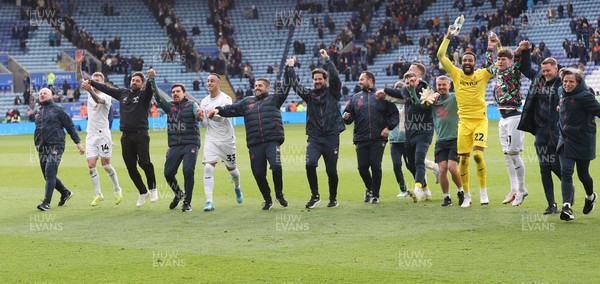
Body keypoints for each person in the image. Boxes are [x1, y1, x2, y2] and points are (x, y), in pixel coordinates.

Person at [208, 78, 291, 210]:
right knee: (258, 173)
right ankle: (267, 199)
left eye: (260, 86)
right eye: (256, 85)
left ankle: (279, 195)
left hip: (271, 141)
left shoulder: (274, 99)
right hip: (255, 144)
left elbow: (287, 86)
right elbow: (231, 109)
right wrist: (218, 110)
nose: (257, 88)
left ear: (267, 88)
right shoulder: (247, 102)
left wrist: (289, 67)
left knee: (276, 166)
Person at [437, 25, 494, 208]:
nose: (467, 62)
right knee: (463, 160)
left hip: (480, 121)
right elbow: (440, 56)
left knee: (478, 155)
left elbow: (497, 63)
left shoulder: (482, 74)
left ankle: (483, 192)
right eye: (465, 60)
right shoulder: (455, 74)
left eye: (470, 60)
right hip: (464, 124)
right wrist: (447, 37)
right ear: (461, 62)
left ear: (475, 63)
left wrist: (493, 46)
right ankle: (467, 195)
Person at [283, 49, 345, 209]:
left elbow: (336, 78)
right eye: (315, 79)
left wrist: (327, 60)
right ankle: (315, 195)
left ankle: (333, 198)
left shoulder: (333, 93)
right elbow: (295, 85)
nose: (317, 81)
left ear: (325, 80)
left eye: (320, 79)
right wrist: (290, 67)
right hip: (315, 137)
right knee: (310, 164)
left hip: (331, 137)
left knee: (331, 171)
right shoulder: (309, 95)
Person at [86, 69, 157, 207]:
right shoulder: (123, 93)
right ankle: (143, 192)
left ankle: (153, 188)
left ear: (142, 84)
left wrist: (151, 78)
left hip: (141, 134)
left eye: (137, 81)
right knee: (130, 166)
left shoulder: (144, 94)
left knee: (145, 162)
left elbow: (151, 88)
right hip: (125, 136)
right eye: (133, 80)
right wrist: (91, 82)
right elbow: (106, 88)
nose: (134, 82)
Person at [377, 64, 439, 203]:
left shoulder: (427, 90)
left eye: (412, 71)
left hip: (424, 130)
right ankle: (425, 189)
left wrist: (408, 90)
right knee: (411, 164)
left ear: (418, 76)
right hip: (410, 132)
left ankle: (417, 189)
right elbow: (399, 94)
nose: (409, 72)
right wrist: (385, 92)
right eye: (407, 79)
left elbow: (418, 104)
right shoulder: (406, 89)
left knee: (418, 160)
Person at [518, 46, 563, 215]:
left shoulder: (563, 81)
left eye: (548, 70)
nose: (545, 73)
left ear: (556, 69)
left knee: (556, 165)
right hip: (541, 131)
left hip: (556, 131)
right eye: (543, 70)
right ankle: (551, 204)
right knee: (544, 167)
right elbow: (525, 68)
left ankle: (567, 188)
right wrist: (525, 51)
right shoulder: (539, 77)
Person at [484, 36, 529, 207]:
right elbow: (489, 62)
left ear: (510, 62)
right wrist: (491, 46)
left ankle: (522, 189)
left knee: (514, 153)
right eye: (499, 58)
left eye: (504, 59)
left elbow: (518, 60)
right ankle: (513, 189)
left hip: (514, 117)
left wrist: (518, 50)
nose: (500, 61)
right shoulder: (496, 72)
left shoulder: (514, 72)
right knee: (507, 156)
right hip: (502, 119)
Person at [343, 71, 399, 204]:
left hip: (378, 138)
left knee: (375, 165)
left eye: (362, 79)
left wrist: (388, 128)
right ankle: (370, 188)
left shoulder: (382, 96)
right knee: (362, 167)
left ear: (370, 80)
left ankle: (375, 195)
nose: (359, 82)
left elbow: (394, 115)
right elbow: (348, 117)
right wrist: (346, 117)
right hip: (360, 138)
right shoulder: (356, 98)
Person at [76, 50, 122, 207]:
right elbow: (78, 78)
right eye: (92, 79)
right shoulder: (89, 93)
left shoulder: (107, 96)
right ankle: (98, 194)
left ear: (102, 82)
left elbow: (99, 100)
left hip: (103, 135)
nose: (93, 82)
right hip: (91, 135)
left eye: (97, 80)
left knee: (106, 165)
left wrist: (90, 90)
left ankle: (117, 189)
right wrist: (78, 64)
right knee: (90, 165)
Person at [554, 68, 599, 221]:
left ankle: (590, 196)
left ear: (578, 82)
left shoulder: (586, 96)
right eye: (565, 81)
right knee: (566, 172)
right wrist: (560, 108)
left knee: (583, 175)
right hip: (565, 139)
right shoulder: (560, 90)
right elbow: (560, 104)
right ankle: (567, 207)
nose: (567, 84)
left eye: (571, 81)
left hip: (583, 140)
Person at [151, 83, 201, 212]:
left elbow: (198, 116)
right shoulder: (169, 106)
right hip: (174, 145)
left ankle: (187, 202)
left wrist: (200, 116)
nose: (175, 93)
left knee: (188, 171)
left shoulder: (192, 105)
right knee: (168, 173)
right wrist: (152, 80)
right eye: (173, 92)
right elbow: (158, 98)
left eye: (178, 91)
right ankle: (178, 193)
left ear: (184, 93)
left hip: (191, 143)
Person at [34, 88, 85, 211]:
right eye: (40, 93)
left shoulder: (58, 109)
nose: (42, 94)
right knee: (47, 176)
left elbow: (70, 126)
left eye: (44, 93)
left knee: (50, 172)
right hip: (42, 147)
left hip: (56, 145)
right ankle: (65, 193)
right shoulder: (38, 112)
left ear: (51, 95)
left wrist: (78, 142)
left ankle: (46, 202)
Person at [198, 74, 243, 212]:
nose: (209, 83)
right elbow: (206, 125)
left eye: (212, 81)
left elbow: (224, 118)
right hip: (211, 138)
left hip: (226, 140)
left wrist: (214, 115)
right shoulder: (204, 101)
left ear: (219, 83)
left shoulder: (226, 99)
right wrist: (201, 118)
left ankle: (237, 188)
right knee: (208, 168)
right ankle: (209, 201)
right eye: (207, 81)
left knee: (232, 170)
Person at [430, 76, 463, 206]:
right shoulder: (432, 101)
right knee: (442, 169)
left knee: (452, 167)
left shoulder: (454, 97)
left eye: (444, 85)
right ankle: (447, 197)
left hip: (455, 139)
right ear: (436, 86)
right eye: (439, 85)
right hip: (440, 141)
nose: (442, 87)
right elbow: (416, 102)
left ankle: (461, 192)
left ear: (449, 86)